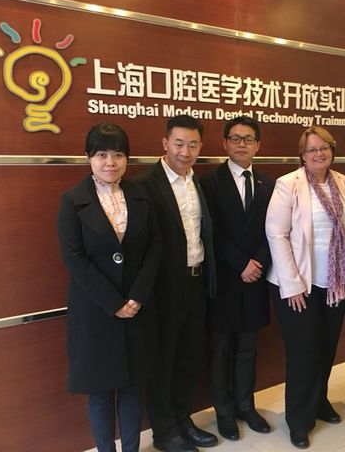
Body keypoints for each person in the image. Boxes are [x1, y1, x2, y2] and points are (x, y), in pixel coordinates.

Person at [57, 123, 162, 452]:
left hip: (137, 308)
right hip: (96, 311)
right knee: (101, 392)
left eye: (118, 154)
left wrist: (137, 297)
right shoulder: (72, 200)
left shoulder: (141, 194)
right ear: (88, 157)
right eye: (101, 154)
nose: (110, 162)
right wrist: (114, 302)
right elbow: (74, 259)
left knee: (132, 387)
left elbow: (156, 246)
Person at [266, 126, 345, 449]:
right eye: (311, 149)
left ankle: (319, 402)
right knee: (303, 353)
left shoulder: (343, 182)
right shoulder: (289, 184)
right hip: (300, 285)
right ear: (302, 155)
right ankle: (298, 420)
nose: (318, 154)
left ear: (332, 151)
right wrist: (292, 284)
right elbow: (276, 234)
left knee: (326, 348)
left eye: (324, 148)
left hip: (335, 283)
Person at [135, 115, 218, 452]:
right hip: (164, 289)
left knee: (188, 357)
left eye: (193, 145)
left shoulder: (198, 182)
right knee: (163, 362)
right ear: (165, 143)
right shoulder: (145, 185)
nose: (186, 151)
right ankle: (164, 431)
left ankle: (183, 420)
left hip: (196, 282)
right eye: (179, 143)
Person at [200, 116, 275, 441]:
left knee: (248, 347)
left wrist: (258, 261)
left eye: (248, 139)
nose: (241, 144)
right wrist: (240, 263)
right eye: (235, 138)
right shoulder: (209, 182)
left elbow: (275, 228)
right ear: (225, 143)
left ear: (258, 144)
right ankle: (224, 412)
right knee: (220, 349)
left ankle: (246, 405)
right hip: (224, 280)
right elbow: (210, 230)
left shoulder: (268, 183)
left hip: (255, 277)